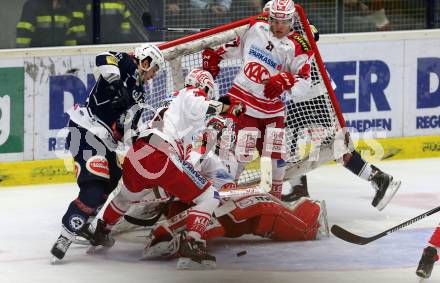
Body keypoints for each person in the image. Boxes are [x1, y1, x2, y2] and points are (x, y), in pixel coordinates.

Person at [90, 68, 246, 269]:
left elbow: (188, 151)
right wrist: (226, 109)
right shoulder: (192, 92)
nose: (206, 95)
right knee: (210, 197)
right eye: (207, 91)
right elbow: (200, 107)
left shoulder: (171, 101)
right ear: (203, 86)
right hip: (163, 154)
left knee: (125, 197)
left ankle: (101, 232)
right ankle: (192, 246)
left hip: (139, 152)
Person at [50, 43, 165, 262]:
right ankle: (65, 236)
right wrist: (115, 86)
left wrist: (142, 138)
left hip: (105, 141)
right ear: (146, 61)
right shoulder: (125, 62)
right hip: (85, 130)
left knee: (113, 179)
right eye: (155, 69)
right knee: (93, 189)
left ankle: (85, 222)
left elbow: (128, 130)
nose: (154, 75)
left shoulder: (139, 94)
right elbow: (103, 57)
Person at [202, 0, 313, 201]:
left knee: (276, 158)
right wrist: (214, 54)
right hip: (244, 105)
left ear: (292, 20)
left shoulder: (298, 46)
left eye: (284, 22)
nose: (279, 26)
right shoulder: (255, 27)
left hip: (273, 112)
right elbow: (231, 46)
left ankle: (275, 200)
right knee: (240, 155)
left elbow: (304, 84)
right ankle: (221, 199)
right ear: (269, 17)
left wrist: (286, 81)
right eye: (275, 21)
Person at [15, 0, 83, 48]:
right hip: (36, 59)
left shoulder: (65, 7)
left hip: (61, 59)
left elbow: (70, 38)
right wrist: (22, 59)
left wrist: (71, 55)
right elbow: (23, 38)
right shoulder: (32, 6)